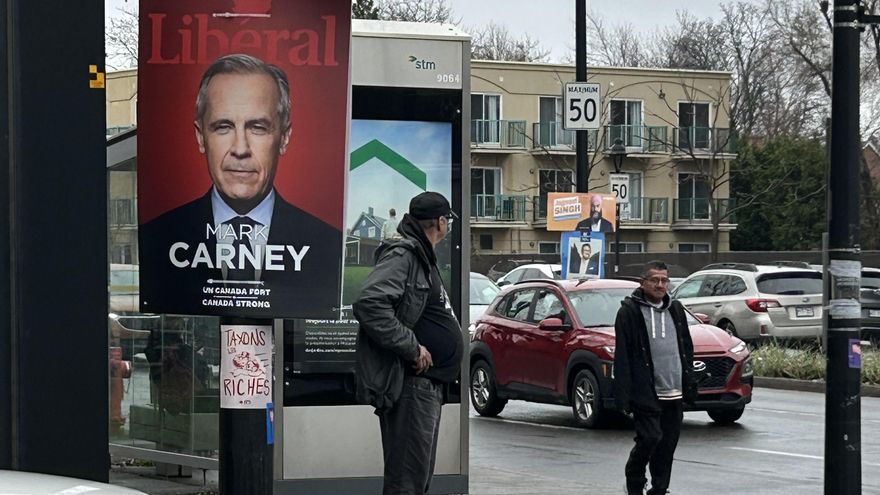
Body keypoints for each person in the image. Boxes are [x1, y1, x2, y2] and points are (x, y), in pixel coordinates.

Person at [139, 53, 340, 317]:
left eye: (257, 127)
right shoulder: (157, 238)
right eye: (223, 127)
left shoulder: (326, 244)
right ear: (201, 137)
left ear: (284, 138)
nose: (240, 149)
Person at [353, 191, 463, 495]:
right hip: (413, 386)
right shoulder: (405, 255)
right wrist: (412, 347)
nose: (448, 226)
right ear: (440, 223)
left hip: (427, 386)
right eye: (448, 221)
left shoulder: (422, 255)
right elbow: (369, 302)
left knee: (416, 478)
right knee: (407, 482)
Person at [614, 260, 696, 495]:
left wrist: (689, 382)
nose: (660, 285)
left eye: (664, 280)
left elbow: (686, 348)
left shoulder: (676, 309)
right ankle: (635, 481)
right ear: (643, 283)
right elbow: (623, 356)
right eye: (655, 280)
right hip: (646, 391)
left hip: (674, 390)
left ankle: (660, 489)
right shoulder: (629, 312)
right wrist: (624, 395)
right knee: (650, 438)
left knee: (667, 446)